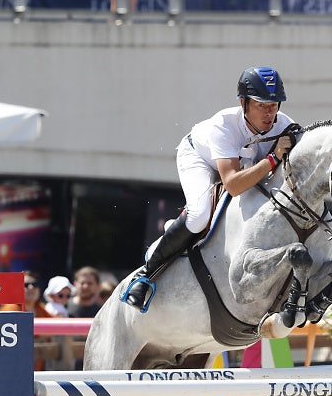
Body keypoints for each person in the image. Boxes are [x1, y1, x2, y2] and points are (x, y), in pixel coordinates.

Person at [122, 66, 294, 310]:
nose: (270, 113)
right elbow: (233, 185)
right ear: (243, 102)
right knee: (199, 216)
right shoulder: (223, 125)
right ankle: (147, 274)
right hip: (200, 158)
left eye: (274, 105)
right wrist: (272, 160)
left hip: (243, 167)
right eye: (261, 105)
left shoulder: (285, 125)